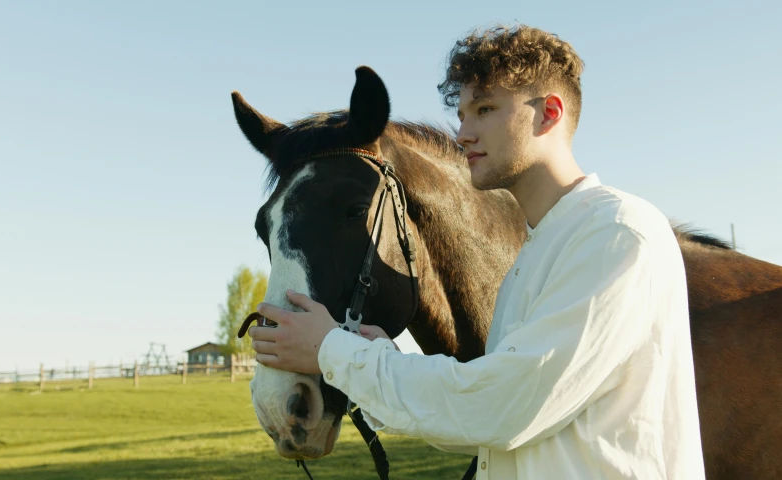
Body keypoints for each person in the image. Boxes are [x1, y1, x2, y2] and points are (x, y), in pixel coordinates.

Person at [248, 24, 705, 479]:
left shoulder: (617, 233)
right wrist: (377, 365)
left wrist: (331, 350)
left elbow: (506, 409)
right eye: (462, 113)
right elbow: (482, 425)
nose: (463, 132)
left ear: (548, 113)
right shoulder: (536, 252)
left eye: (484, 109)